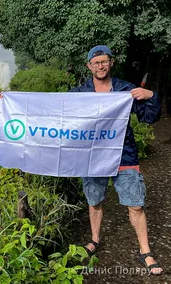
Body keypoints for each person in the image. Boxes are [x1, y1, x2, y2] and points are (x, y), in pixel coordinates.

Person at [69, 45, 163, 275]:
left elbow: (149, 117)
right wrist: (15, 101)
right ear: (89, 66)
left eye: (104, 61)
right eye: (95, 62)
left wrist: (151, 95)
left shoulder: (125, 90)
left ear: (111, 63)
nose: (100, 66)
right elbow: (52, 111)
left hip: (124, 154)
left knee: (136, 204)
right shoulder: (80, 94)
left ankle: (145, 251)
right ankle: (94, 240)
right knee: (94, 200)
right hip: (93, 157)